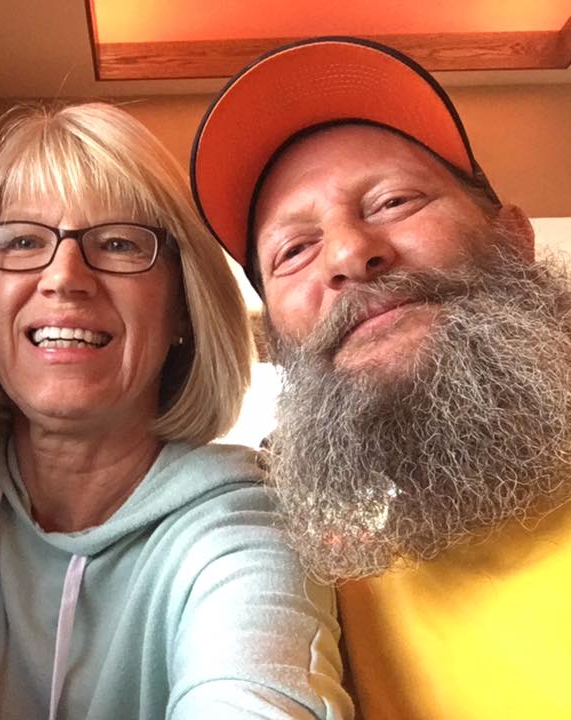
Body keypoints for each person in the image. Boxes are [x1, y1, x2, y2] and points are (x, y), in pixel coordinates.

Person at [0, 102, 352, 719]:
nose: (64, 277)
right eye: (24, 241)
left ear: (183, 307)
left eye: (117, 244)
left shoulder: (246, 525)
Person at [191, 36, 571, 720]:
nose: (348, 252)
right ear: (280, 338)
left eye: (394, 201)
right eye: (294, 249)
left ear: (514, 239)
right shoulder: (305, 586)